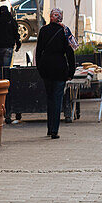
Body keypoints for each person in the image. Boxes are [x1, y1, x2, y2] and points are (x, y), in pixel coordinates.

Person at [35, 9, 76, 139]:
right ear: (61, 18)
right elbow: (70, 53)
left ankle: (49, 128)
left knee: (50, 98)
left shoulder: (43, 30)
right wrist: (71, 72)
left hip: (46, 68)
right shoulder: (65, 31)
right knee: (57, 99)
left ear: (50, 17)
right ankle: (54, 130)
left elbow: (38, 51)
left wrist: (39, 67)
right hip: (59, 68)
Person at [0, 5, 21, 124]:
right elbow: (16, 33)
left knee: (0, 66)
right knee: (6, 68)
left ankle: (0, 82)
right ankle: (5, 83)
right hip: (8, 48)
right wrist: (18, 44)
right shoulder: (11, 20)